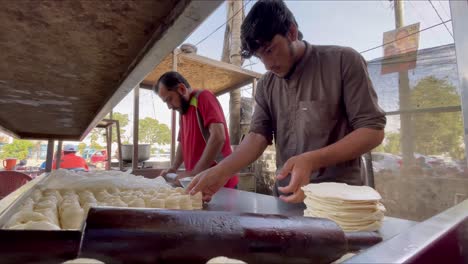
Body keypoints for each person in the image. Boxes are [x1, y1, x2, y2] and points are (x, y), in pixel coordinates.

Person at [187, 0, 386, 203]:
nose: (267, 65)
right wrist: (221, 171)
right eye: (259, 56)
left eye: (270, 50)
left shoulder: (343, 61)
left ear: (291, 32)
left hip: (340, 202)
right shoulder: (267, 84)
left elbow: (372, 131)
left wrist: (312, 160)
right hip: (287, 199)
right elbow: (257, 137)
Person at [155, 71, 238, 189]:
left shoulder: (203, 97)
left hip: (220, 184)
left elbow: (218, 136)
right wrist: (173, 168)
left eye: (170, 99)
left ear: (182, 89)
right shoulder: (183, 112)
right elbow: (182, 143)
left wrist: (194, 173)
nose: (169, 106)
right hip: (199, 183)